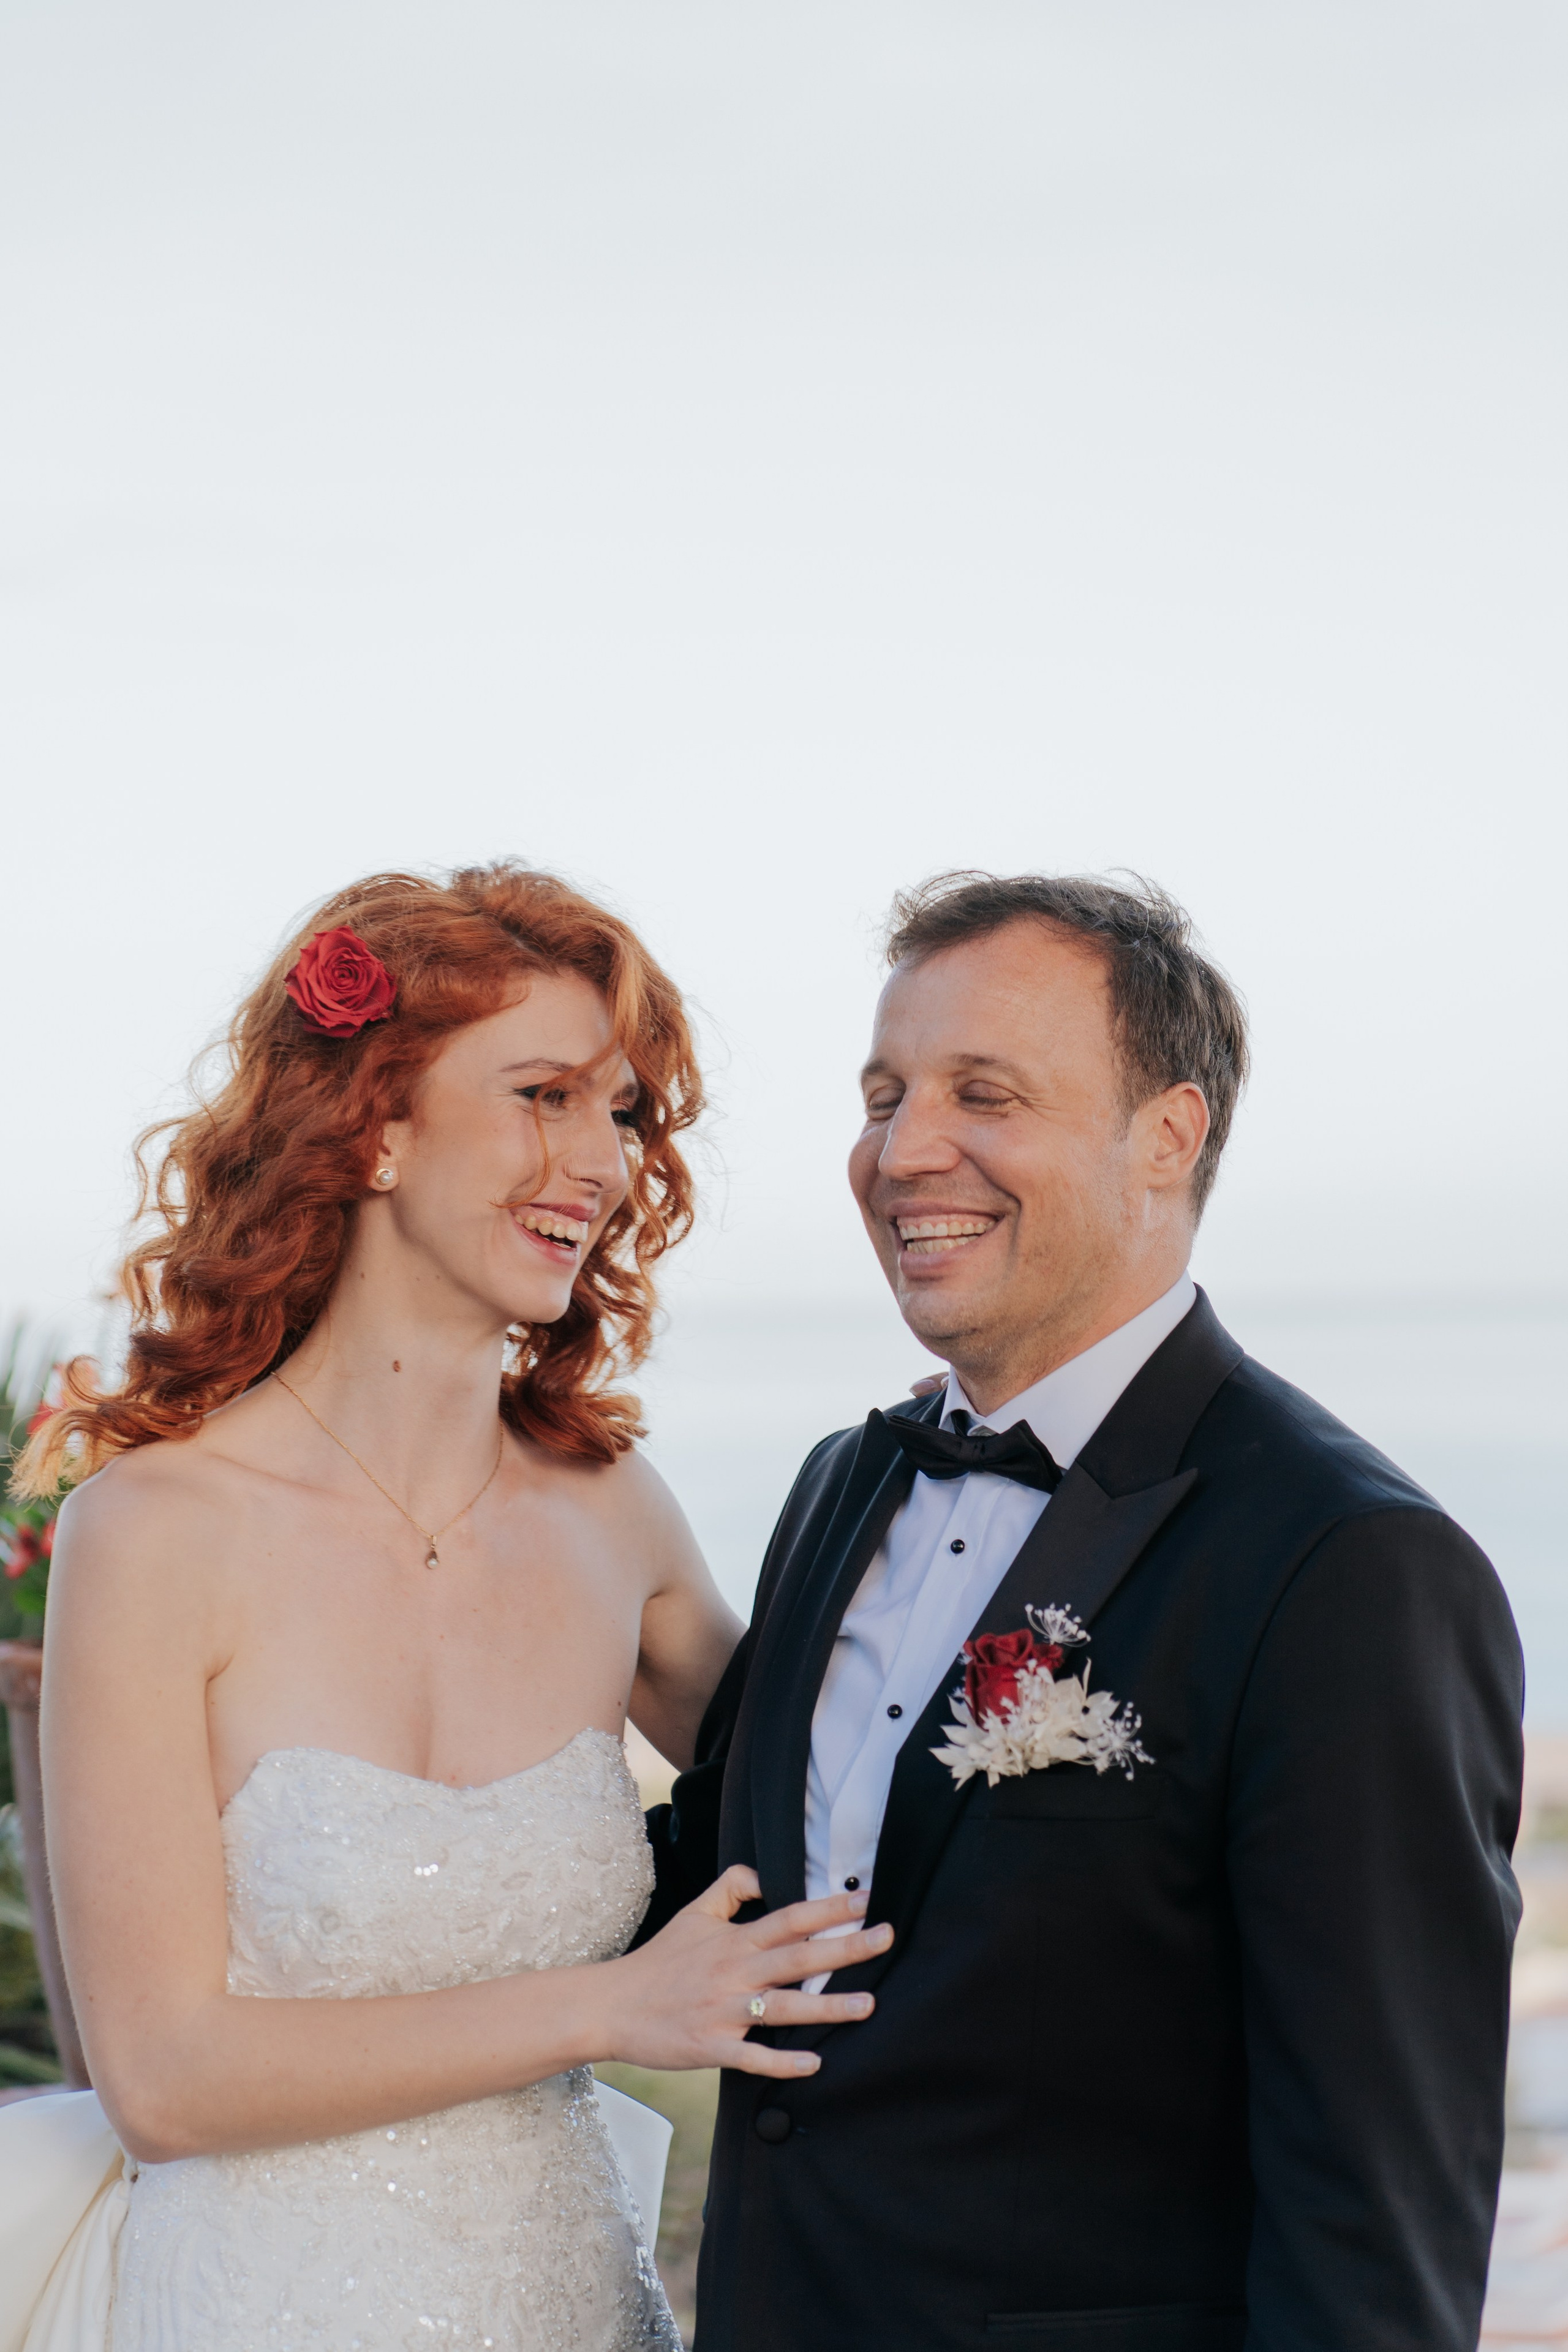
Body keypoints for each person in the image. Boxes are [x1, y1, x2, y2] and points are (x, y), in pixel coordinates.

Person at [646, 871, 1525, 2352]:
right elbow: (707, 1900)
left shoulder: (1345, 1566)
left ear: (1164, 1137)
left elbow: (1375, 2210)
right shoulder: (837, 1486)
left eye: (982, 1094)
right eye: (882, 1095)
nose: (902, 1151)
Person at [15, 863, 888, 2352]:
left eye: (618, 1113)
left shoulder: (615, 1518)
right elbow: (161, 2082)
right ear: (375, 1124)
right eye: (542, 1094)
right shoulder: (153, 1532)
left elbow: (841, 1820)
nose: (598, 1163)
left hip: (570, 2308)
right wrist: (609, 2008)